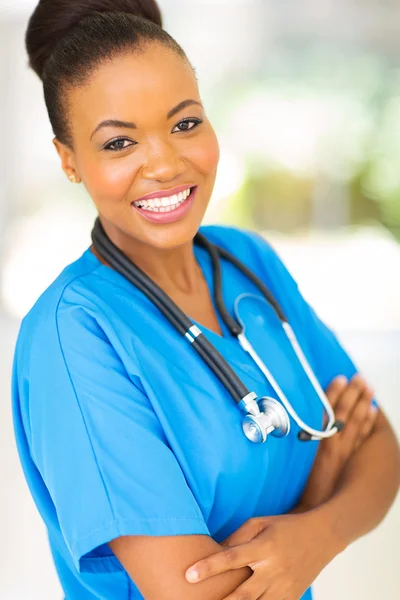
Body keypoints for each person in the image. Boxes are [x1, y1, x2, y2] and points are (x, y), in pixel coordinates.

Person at [11, 1, 400, 599]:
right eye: (119, 144)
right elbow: (196, 594)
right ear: (69, 160)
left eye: (185, 123)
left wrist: (312, 536)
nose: (165, 163)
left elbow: (379, 446)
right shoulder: (74, 335)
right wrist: (320, 498)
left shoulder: (247, 262)